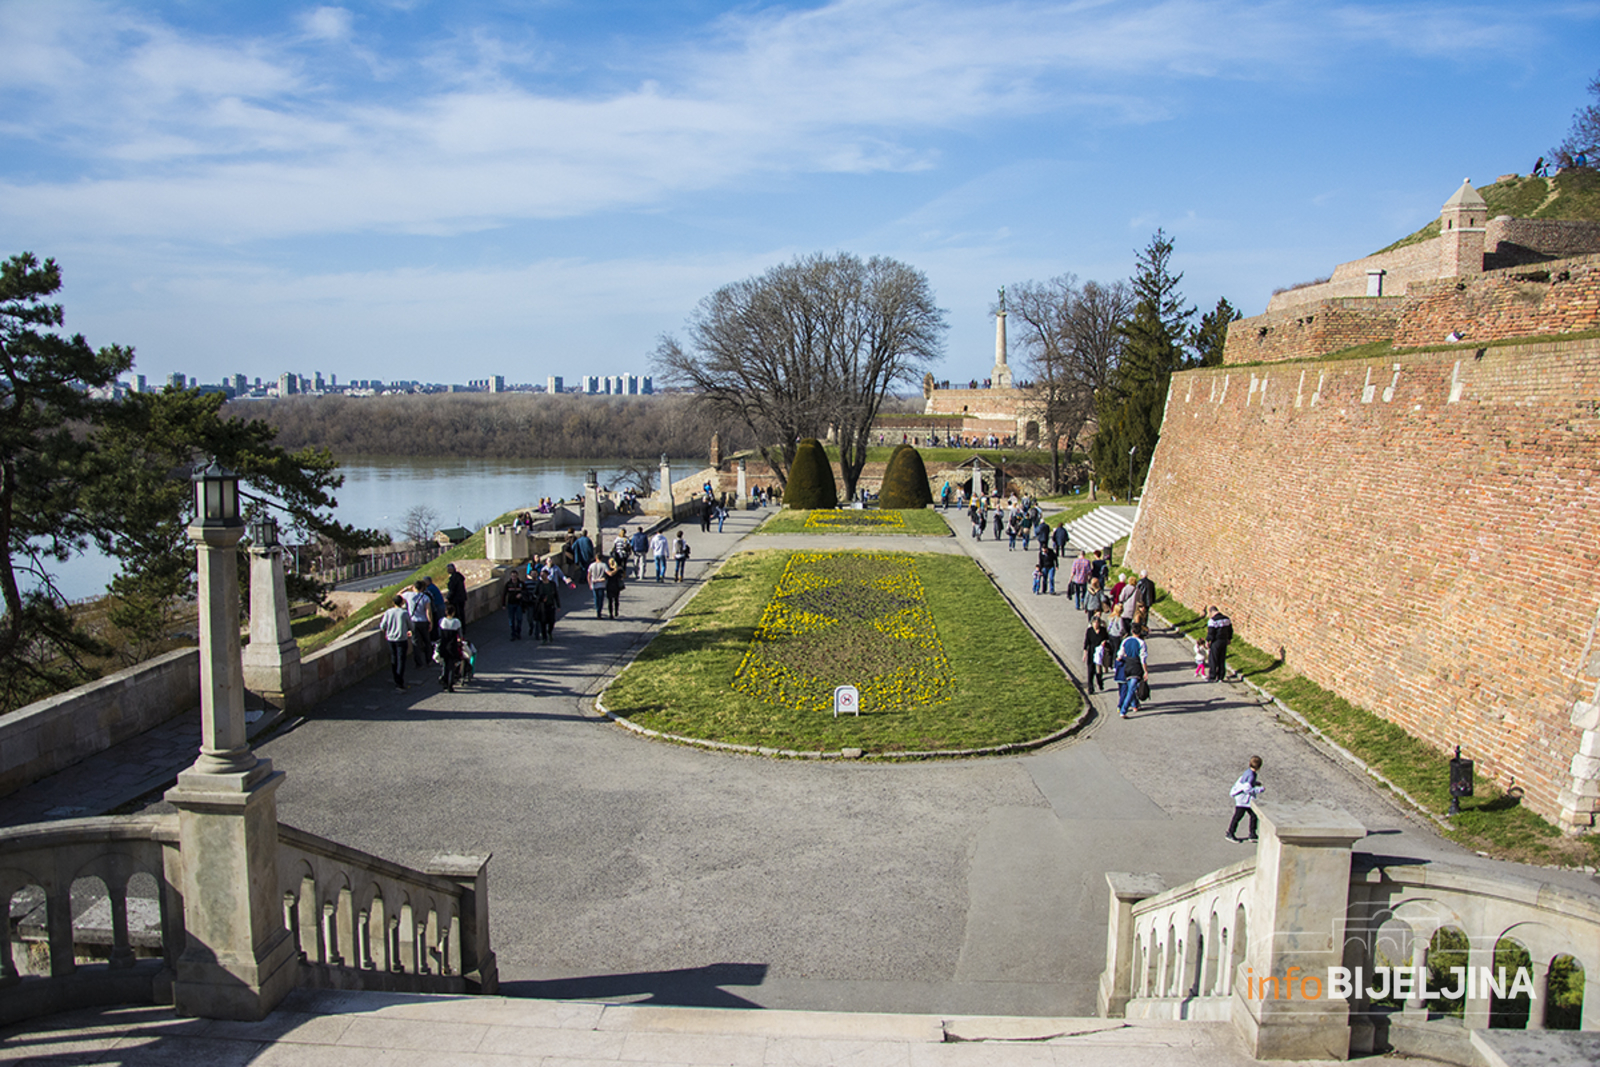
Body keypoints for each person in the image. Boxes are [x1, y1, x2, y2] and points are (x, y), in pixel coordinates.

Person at [1226, 757, 1265, 842]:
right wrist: (1259, 789)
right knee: (1238, 816)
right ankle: (1231, 833)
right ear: (1259, 767)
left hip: (1244, 800)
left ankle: (1252, 834)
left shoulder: (1248, 772)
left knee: (1253, 815)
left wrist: (1255, 783)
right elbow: (1247, 789)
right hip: (1243, 800)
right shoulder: (1251, 775)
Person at [1114, 622, 1148, 719]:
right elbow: (1143, 659)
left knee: (1130, 687)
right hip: (1136, 667)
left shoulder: (1126, 641)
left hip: (1127, 666)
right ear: (1140, 632)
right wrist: (1145, 671)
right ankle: (1123, 710)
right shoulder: (1141, 643)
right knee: (1131, 689)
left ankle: (1134, 704)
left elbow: (1119, 655)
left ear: (1132, 631)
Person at [381, 594, 410, 690]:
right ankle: (400, 681)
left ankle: (395, 678)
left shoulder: (388, 612)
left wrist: (386, 632)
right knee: (401, 659)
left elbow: (382, 626)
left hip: (390, 639)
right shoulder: (404, 613)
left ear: (393, 603)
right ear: (402, 603)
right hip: (401, 638)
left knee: (394, 658)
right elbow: (411, 625)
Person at [406, 579, 435, 668]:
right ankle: (428, 660)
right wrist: (431, 622)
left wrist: (406, 588)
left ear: (414, 587)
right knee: (427, 641)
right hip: (424, 621)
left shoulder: (408, 595)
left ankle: (418, 663)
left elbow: (397, 596)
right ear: (422, 588)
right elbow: (428, 611)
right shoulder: (425, 598)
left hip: (413, 622)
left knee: (416, 643)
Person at [436, 603, 464, 692]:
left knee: (444, 664)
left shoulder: (441, 621)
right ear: (453, 613)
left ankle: (444, 680)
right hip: (452, 646)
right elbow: (460, 635)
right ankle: (450, 684)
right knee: (451, 666)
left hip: (443, 645)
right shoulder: (456, 622)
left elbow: (439, 634)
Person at [1083, 615, 1110, 694]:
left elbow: (1107, 638)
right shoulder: (1089, 631)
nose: (1095, 624)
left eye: (1097, 623)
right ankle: (1090, 688)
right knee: (1090, 670)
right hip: (1092, 650)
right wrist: (1085, 653)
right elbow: (1086, 642)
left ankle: (1100, 682)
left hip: (1100, 651)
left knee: (1098, 670)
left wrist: (1104, 642)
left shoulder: (1102, 630)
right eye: (1094, 623)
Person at [1206, 607, 1234, 682]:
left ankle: (1212, 676)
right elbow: (1230, 630)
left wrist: (1208, 641)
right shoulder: (1226, 619)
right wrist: (1229, 638)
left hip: (1216, 641)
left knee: (1213, 659)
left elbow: (1211, 633)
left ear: (1211, 612)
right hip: (1224, 640)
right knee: (1222, 658)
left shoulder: (1212, 621)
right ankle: (1221, 676)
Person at [502, 572, 525, 640]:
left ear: (517, 576)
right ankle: (513, 634)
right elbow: (504, 594)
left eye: (515, 576)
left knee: (519, 619)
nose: (514, 577)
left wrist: (521, 595)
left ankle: (518, 632)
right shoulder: (508, 584)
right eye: (512, 576)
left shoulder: (521, 584)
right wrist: (503, 604)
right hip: (511, 603)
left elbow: (525, 592)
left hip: (519, 604)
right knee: (511, 620)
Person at [587, 553, 608, 618]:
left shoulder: (591, 565)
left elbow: (589, 575)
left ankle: (597, 610)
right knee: (601, 599)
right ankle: (599, 611)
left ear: (596, 558)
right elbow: (608, 573)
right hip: (601, 584)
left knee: (596, 598)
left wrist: (589, 584)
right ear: (601, 558)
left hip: (594, 583)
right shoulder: (604, 565)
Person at [604, 555, 625, 619]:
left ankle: (611, 614)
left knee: (610, 601)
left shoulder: (608, 570)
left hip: (609, 586)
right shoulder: (618, 569)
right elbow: (623, 576)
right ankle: (616, 611)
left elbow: (605, 577)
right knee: (616, 599)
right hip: (616, 585)